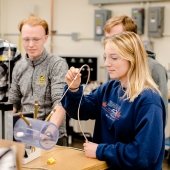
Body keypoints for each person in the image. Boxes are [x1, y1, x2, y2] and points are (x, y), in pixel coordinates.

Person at [61, 32, 166, 169]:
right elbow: (81, 111)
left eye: (114, 58)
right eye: (105, 57)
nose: (106, 64)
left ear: (133, 59)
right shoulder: (110, 88)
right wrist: (74, 89)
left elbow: (144, 156)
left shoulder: (149, 101)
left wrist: (100, 150)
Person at [8, 15, 68, 145]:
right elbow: (13, 103)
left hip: (51, 136)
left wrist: (48, 132)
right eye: (26, 39)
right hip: (24, 134)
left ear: (45, 38)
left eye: (35, 39)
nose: (30, 44)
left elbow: (60, 103)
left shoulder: (57, 64)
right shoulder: (19, 66)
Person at [103, 15, 168, 120]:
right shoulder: (113, 65)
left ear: (132, 38)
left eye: (117, 37)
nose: (111, 42)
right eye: (107, 38)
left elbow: (160, 115)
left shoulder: (155, 68)